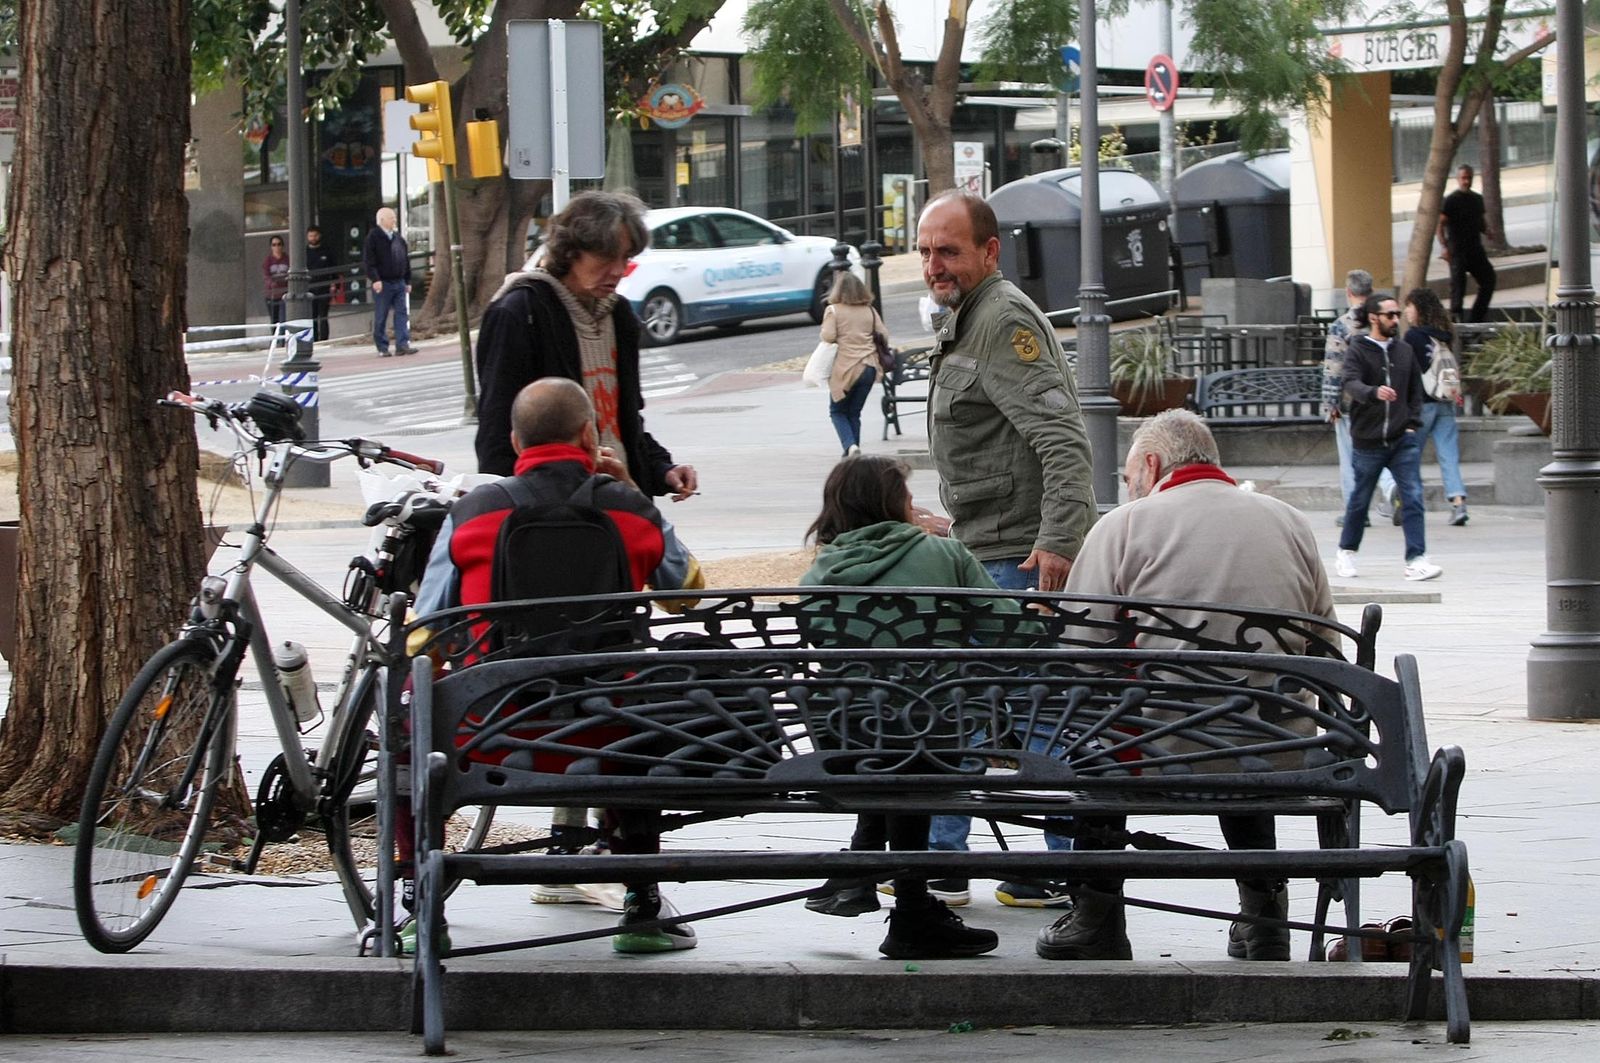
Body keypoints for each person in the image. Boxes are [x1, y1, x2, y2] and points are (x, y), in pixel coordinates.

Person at [414, 377, 703, 954]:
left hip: (490, 735)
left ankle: (413, 905)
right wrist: (633, 492)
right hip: (614, 736)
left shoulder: (472, 513)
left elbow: (425, 634)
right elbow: (686, 593)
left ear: (515, 441)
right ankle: (641, 902)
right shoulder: (629, 509)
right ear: (589, 435)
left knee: (409, 726)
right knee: (644, 703)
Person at [1037, 409, 1336, 962]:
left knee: (1099, 733)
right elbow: (1326, 646)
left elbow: (1080, 655)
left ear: (1151, 465)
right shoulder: (1289, 521)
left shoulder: (1125, 526)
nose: (1131, 488)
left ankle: (1096, 915)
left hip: (1160, 750)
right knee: (1243, 719)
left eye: (1130, 478)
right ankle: (1264, 916)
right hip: (1277, 751)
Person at [916, 190, 1094, 907]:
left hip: (1017, 558)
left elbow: (1063, 439)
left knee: (1026, 711)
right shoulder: (972, 316)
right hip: (986, 547)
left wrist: (1058, 540)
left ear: (990, 251)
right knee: (970, 705)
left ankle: (1057, 865)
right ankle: (948, 860)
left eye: (948, 251)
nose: (934, 265)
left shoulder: (1002, 319)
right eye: (925, 252)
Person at [796, 455, 1001, 960]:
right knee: (914, 730)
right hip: (938, 735)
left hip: (848, 744)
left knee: (883, 728)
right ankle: (908, 910)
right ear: (894, 503)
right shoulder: (946, 554)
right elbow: (1013, 632)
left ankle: (866, 875)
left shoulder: (820, 574)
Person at [474, 191, 698, 506]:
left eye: (626, 258)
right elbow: (497, 435)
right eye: (607, 257)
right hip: (553, 512)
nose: (618, 270)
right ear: (570, 252)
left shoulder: (619, 315)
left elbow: (623, 422)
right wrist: (515, 515)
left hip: (618, 502)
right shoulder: (519, 313)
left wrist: (663, 469)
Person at [1335, 294, 1442, 582]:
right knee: (1360, 500)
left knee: (1413, 497)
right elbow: (1350, 382)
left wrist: (1412, 425)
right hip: (1367, 440)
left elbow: (1415, 392)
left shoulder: (1404, 351)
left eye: (1398, 314)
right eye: (1390, 315)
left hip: (1401, 439)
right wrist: (1373, 393)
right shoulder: (1358, 349)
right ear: (1374, 318)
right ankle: (1346, 550)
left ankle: (1416, 559)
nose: (1396, 320)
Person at [1322, 268, 1394, 527]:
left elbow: (1334, 367)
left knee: (1350, 456)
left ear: (1348, 292)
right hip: (1382, 397)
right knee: (1379, 450)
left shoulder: (1341, 325)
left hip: (1351, 402)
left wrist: (1330, 403)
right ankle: (1392, 486)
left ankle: (1356, 512)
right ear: (1371, 290)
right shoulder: (1383, 321)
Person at [1402, 287, 1469, 527]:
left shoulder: (1413, 337)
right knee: (1448, 454)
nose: (1406, 311)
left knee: (1410, 455)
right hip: (1445, 401)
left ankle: (1409, 503)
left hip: (1422, 405)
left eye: (1409, 306)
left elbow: (1407, 371)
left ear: (1419, 308)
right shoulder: (1446, 334)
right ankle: (1458, 502)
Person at [819, 271, 886, 456]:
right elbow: (883, 334)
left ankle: (850, 446)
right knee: (854, 412)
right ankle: (851, 452)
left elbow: (828, 336)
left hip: (846, 368)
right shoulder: (869, 311)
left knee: (837, 411)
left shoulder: (833, 310)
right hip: (869, 366)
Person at [1439, 164, 1496, 323]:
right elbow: (1441, 224)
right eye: (1463, 178)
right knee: (1458, 287)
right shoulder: (1451, 200)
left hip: (1475, 249)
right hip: (1457, 250)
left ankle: (1476, 318)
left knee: (1489, 279)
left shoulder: (1477, 199)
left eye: (1469, 178)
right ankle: (1456, 322)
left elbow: (1480, 221)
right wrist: (1444, 247)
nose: (1466, 181)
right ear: (1458, 179)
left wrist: (1487, 231)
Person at [362, 206, 416, 357]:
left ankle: (402, 344)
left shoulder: (398, 238)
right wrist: (375, 279)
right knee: (381, 315)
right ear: (382, 220)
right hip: (383, 282)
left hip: (399, 281)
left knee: (402, 313)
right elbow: (369, 261)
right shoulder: (373, 238)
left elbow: (405, 260)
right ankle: (382, 346)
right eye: (391, 217)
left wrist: (408, 280)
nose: (394, 220)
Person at [304, 225, 335, 344]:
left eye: (315, 235)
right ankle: (314, 340)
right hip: (309, 288)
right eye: (311, 236)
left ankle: (324, 340)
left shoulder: (327, 251)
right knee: (312, 316)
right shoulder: (304, 253)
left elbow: (334, 269)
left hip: (324, 288)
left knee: (323, 316)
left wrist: (334, 285)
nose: (313, 238)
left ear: (319, 236)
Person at [261, 236, 289, 326]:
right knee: (274, 320)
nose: (277, 247)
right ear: (271, 247)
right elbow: (266, 275)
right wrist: (272, 284)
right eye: (274, 245)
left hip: (284, 293)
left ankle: (283, 335)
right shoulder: (268, 261)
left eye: (279, 244)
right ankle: (275, 335)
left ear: (282, 246)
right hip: (272, 294)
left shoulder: (287, 259)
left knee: (284, 319)